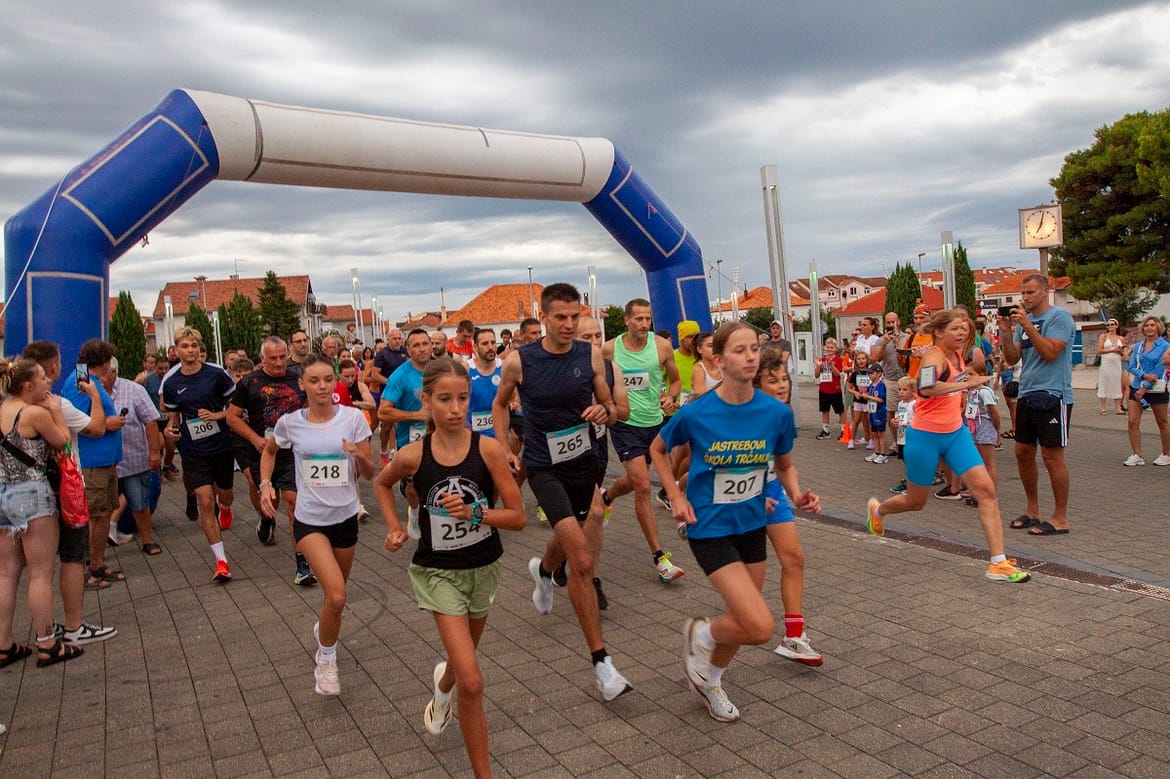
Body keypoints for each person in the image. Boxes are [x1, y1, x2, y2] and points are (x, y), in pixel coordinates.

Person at [653, 323, 820, 722]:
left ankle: (710, 681)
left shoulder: (776, 413)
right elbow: (658, 449)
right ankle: (701, 634)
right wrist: (675, 496)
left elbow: (784, 466)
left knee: (741, 619)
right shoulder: (698, 412)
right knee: (759, 626)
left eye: (754, 349)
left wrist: (797, 494)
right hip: (709, 526)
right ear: (718, 360)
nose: (749, 357)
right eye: (739, 350)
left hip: (750, 524)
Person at [375, 359, 524, 777]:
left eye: (462, 398)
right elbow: (380, 484)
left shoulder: (489, 450)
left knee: (463, 666)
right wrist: (392, 528)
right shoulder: (412, 456)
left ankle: (443, 687)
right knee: (473, 681)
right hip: (437, 571)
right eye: (445, 400)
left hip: (483, 568)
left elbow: (517, 517)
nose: (456, 408)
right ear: (426, 402)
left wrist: (477, 513)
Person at [492, 283, 632, 701]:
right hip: (543, 466)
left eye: (575, 317)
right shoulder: (520, 361)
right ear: (545, 317)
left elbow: (611, 406)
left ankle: (543, 571)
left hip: (585, 463)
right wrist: (502, 448)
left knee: (566, 534)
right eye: (561, 318)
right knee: (583, 559)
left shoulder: (590, 356)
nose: (569, 325)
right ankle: (602, 665)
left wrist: (602, 411)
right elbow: (501, 405)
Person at [865, 308, 1031, 583]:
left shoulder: (955, 354)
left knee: (986, 491)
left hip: (955, 433)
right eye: (955, 328)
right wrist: (965, 384)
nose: (962, 332)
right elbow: (926, 389)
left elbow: (948, 381)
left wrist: (967, 376)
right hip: (925, 437)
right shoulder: (933, 355)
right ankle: (878, 511)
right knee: (917, 502)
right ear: (939, 332)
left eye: (964, 328)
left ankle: (998, 562)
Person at [260, 355, 374, 696]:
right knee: (338, 595)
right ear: (303, 384)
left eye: (328, 379)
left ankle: (324, 628)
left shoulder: (353, 418)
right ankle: (326, 659)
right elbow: (268, 451)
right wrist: (266, 483)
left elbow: (369, 473)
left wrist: (359, 455)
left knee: (332, 597)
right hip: (308, 521)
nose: (322, 386)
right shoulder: (290, 423)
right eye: (314, 380)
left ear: (335, 382)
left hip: (345, 519)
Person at [21, 341, 115, 646]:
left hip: (21, 493)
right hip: (65, 488)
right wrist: (94, 396)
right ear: (51, 369)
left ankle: (32, 634)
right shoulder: (57, 405)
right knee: (73, 558)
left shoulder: (10, 409)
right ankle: (73, 626)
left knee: (29, 572)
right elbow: (97, 428)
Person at [0, 357, 80, 668]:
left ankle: (4, 644)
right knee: (41, 573)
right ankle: (47, 642)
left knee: (6, 573)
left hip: (3, 492)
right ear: (28, 385)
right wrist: (57, 413)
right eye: (43, 379)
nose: (49, 382)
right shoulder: (33, 413)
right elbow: (63, 445)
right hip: (33, 494)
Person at [600, 298, 685, 583]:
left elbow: (675, 382)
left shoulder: (660, 347)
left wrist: (670, 398)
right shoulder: (609, 349)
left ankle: (607, 496)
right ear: (626, 320)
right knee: (644, 485)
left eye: (648, 319)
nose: (644, 324)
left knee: (636, 480)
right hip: (624, 423)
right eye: (638, 319)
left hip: (653, 421)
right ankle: (659, 557)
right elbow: (596, 381)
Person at [751, 349, 822, 667]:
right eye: (772, 380)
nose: (782, 386)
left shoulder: (782, 418)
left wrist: (797, 495)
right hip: (737, 496)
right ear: (756, 384)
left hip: (772, 492)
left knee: (794, 557)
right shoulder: (742, 416)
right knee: (751, 589)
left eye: (784, 379)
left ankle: (794, 636)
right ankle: (709, 643)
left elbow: (784, 466)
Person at [227, 336, 316, 584]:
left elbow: (311, 403)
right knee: (269, 501)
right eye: (273, 358)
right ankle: (266, 520)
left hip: (291, 453)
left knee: (292, 503)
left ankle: (303, 566)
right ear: (262, 358)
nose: (278, 363)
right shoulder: (249, 382)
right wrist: (255, 439)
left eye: (281, 357)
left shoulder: (298, 376)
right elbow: (232, 418)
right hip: (262, 450)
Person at [999, 274, 1076, 536]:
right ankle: (1032, 510)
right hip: (1028, 393)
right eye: (1023, 293)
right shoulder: (1024, 321)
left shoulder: (1059, 318)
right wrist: (1006, 333)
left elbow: (1051, 352)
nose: (1025, 297)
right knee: (1022, 452)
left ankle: (1061, 517)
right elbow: (1012, 358)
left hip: (1054, 395)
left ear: (1046, 291)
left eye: (1031, 292)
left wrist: (1029, 328)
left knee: (1052, 457)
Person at [162, 327, 237, 582]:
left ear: (199, 348)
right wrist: (170, 431)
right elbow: (172, 418)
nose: (190, 351)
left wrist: (217, 416)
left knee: (224, 493)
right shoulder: (172, 382)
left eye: (194, 346)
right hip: (193, 450)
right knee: (205, 500)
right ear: (177, 350)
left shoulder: (216, 374)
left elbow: (235, 408)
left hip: (221, 445)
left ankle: (225, 507)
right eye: (185, 346)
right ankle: (221, 561)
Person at [61, 339, 128, 591]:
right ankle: (85, 568)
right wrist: (107, 423)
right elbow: (79, 422)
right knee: (93, 516)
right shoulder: (81, 383)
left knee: (104, 514)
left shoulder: (92, 381)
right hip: (91, 462)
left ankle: (97, 564)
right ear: (105, 361)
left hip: (105, 460)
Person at [104, 357, 165, 555]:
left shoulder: (134, 390)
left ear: (113, 372)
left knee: (140, 502)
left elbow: (150, 421)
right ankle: (98, 552)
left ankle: (148, 540)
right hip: (103, 462)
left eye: (104, 373)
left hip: (133, 459)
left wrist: (154, 452)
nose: (99, 378)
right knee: (101, 507)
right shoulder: (87, 391)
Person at [379, 329, 435, 535]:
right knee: (413, 488)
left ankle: (434, 521)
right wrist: (416, 416)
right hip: (410, 439)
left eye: (425, 343)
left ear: (431, 346)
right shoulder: (399, 376)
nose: (422, 349)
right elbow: (383, 412)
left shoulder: (439, 370)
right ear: (408, 350)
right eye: (416, 345)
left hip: (438, 437)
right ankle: (415, 511)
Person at [1121, 316, 1170, 466]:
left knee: (1162, 422)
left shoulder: (1164, 345)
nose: (1149, 328)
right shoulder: (1138, 346)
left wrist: (1145, 387)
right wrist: (1143, 375)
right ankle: (1137, 454)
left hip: (1156, 388)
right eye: (1147, 325)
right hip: (1137, 386)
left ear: (1158, 328)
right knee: (1132, 421)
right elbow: (1131, 366)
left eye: (1152, 325)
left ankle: (1166, 454)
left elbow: (1160, 367)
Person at [963, 360, 1001, 505]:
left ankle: (991, 495)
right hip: (972, 427)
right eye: (966, 374)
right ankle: (978, 492)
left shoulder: (984, 392)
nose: (967, 377)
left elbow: (994, 413)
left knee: (988, 464)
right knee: (977, 463)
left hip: (985, 426)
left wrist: (997, 432)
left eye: (971, 374)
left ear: (982, 375)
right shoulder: (970, 391)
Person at [466, 328, 501, 438]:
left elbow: (515, 398)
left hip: (499, 433)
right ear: (475, 347)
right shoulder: (465, 369)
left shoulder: (504, 368)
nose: (490, 347)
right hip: (472, 434)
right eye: (485, 344)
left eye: (493, 342)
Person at [813, 338, 846, 440]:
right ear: (825, 348)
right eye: (828, 347)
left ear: (835, 349)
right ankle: (826, 430)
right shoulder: (822, 360)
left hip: (835, 389)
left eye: (832, 347)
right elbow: (817, 375)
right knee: (824, 410)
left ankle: (844, 430)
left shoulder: (838, 360)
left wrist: (831, 366)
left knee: (840, 410)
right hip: (823, 389)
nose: (829, 349)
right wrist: (818, 366)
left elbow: (838, 375)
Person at [858, 364, 888, 463]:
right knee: (874, 433)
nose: (869, 375)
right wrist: (864, 395)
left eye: (872, 373)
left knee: (881, 433)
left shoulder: (881, 385)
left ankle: (883, 454)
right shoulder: (870, 385)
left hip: (880, 413)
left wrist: (869, 397)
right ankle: (877, 452)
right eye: (868, 373)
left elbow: (881, 400)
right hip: (872, 412)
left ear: (879, 373)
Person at [1097, 319, 1127, 415]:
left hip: (1116, 363)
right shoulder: (1104, 336)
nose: (1110, 326)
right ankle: (1103, 407)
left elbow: (1123, 353)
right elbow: (1100, 350)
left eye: (1112, 324)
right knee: (1104, 382)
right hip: (1106, 363)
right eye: (1108, 324)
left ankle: (1118, 408)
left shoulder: (1121, 338)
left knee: (1117, 383)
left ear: (1117, 326)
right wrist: (1112, 350)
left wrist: (1120, 351)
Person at [674, 320, 700, 405]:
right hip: (677, 412)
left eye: (696, 337)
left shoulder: (703, 357)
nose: (694, 340)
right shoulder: (671, 357)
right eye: (690, 337)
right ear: (681, 338)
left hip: (699, 410)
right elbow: (655, 382)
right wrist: (667, 399)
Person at [690, 332, 721, 398]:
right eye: (710, 346)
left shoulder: (722, 366)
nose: (714, 349)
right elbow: (701, 398)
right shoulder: (699, 370)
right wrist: (722, 385)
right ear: (699, 349)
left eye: (716, 346)